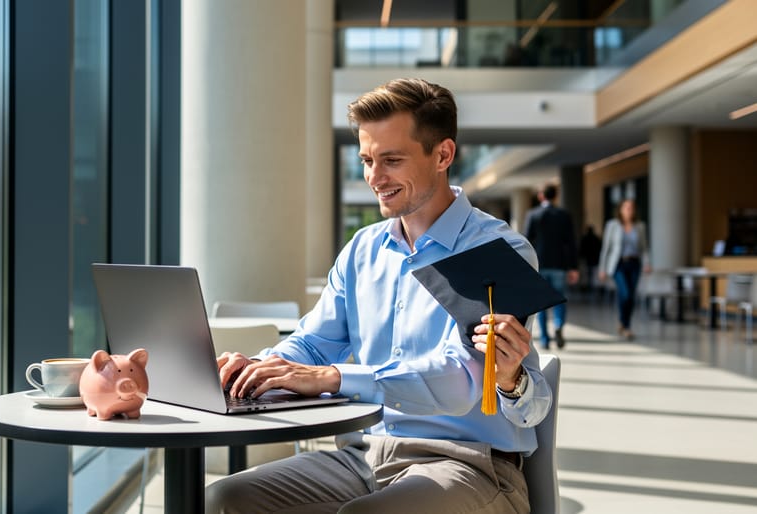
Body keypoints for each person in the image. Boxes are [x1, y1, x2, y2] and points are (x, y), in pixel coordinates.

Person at [208, 78, 552, 514]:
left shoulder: (497, 251)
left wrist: (336, 378)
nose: (374, 177)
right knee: (223, 499)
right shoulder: (362, 249)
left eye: (390, 160)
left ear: (443, 155)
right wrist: (260, 368)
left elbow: (462, 378)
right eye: (367, 160)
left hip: (465, 464)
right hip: (363, 456)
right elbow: (313, 343)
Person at [523, 184, 579, 349]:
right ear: (555, 196)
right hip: (559, 264)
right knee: (559, 299)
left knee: (541, 304)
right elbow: (570, 243)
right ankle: (559, 325)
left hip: (539, 264)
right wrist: (573, 267)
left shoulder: (533, 215)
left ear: (541, 196)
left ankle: (545, 339)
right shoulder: (564, 215)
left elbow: (525, 242)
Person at [598, 199, 651, 340]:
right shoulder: (612, 225)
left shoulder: (640, 226)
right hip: (618, 265)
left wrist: (646, 263)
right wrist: (602, 268)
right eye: (626, 207)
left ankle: (625, 325)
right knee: (625, 293)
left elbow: (644, 248)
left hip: (634, 264)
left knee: (631, 296)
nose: (629, 210)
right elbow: (606, 248)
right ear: (620, 210)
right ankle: (624, 322)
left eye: (631, 208)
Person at [578, 225, 602, 293]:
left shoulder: (586, 238)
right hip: (593, 259)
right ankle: (591, 288)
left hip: (589, 259)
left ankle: (589, 288)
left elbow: (582, 249)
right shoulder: (595, 238)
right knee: (591, 275)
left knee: (589, 275)